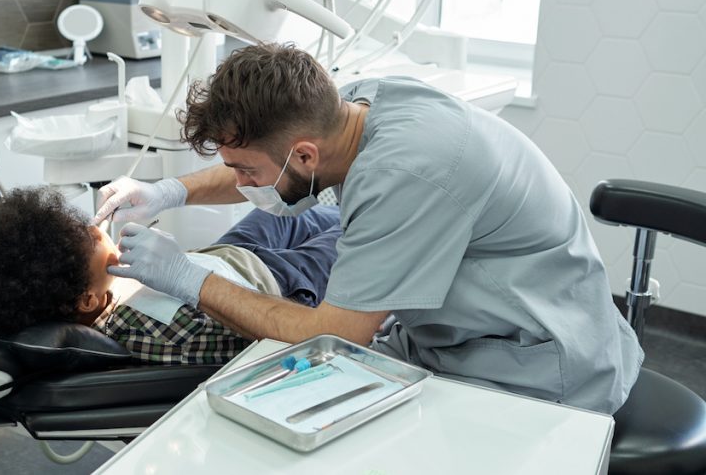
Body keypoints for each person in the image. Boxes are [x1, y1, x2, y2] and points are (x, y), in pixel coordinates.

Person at [94, 42, 643, 413]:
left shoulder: (405, 173)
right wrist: (171, 190)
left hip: (538, 363)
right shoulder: (354, 106)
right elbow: (261, 161)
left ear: (305, 156)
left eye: (245, 173)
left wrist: (189, 278)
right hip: (457, 334)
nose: (240, 182)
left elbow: (332, 334)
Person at [0, 186, 341, 365]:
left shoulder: (100, 298)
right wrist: (182, 275)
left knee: (285, 206)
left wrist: (168, 193)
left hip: (226, 253)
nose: (96, 226)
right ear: (86, 299)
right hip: (275, 281)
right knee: (348, 229)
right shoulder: (158, 330)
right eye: (90, 237)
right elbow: (257, 334)